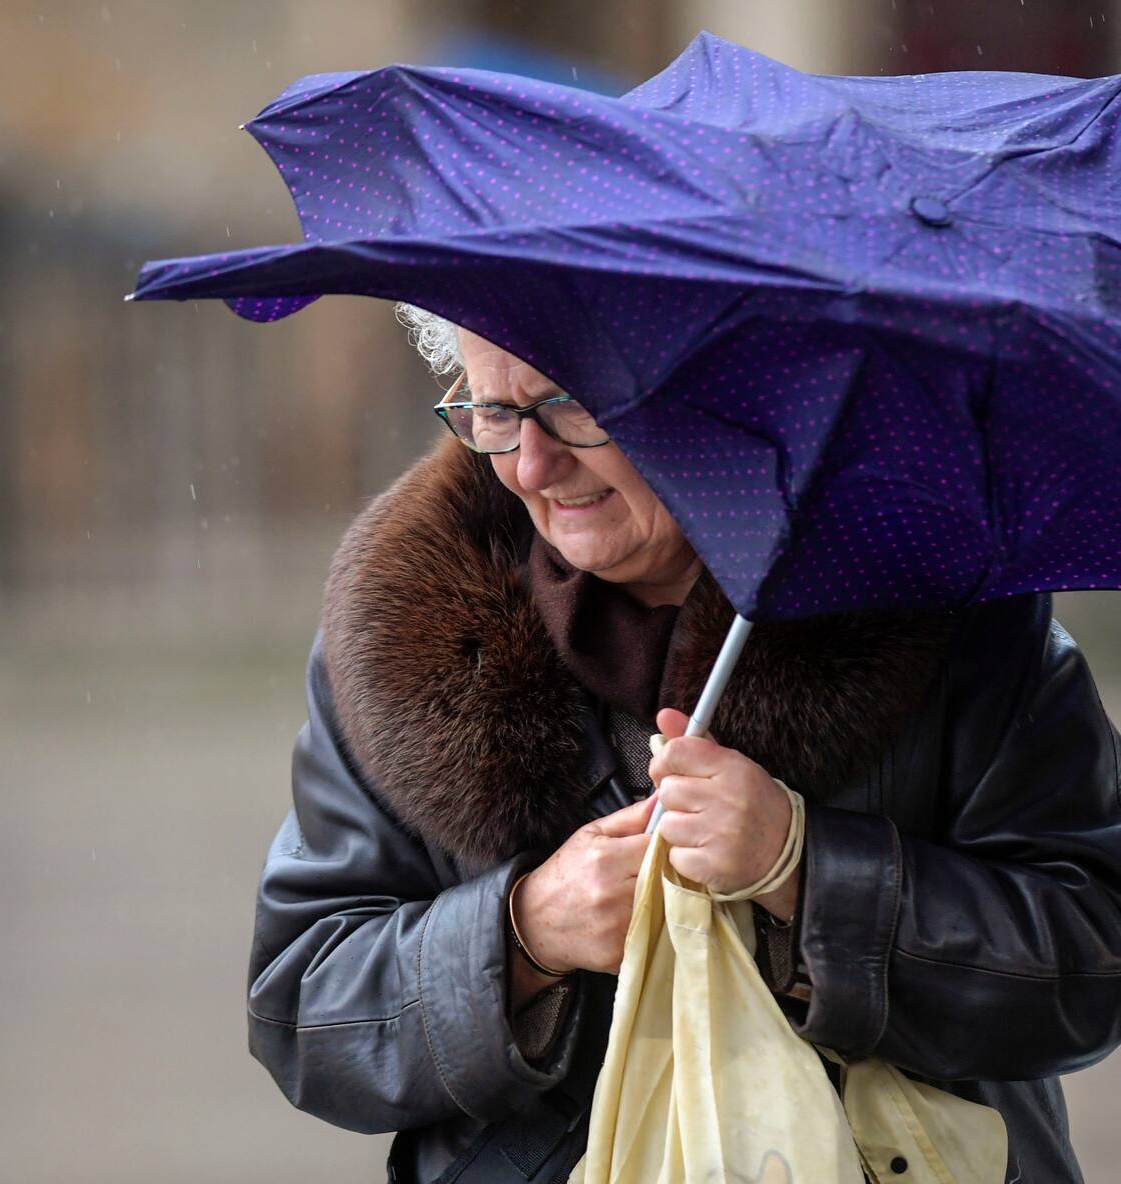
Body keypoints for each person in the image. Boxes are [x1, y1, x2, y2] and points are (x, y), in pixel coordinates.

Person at [247, 309, 1121, 1184]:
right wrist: (523, 934)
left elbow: (1091, 962)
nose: (532, 463)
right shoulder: (402, 631)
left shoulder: (948, 602)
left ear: (722, 384)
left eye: (575, 406)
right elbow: (302, 1005)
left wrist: (809, 873)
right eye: (493, 413)